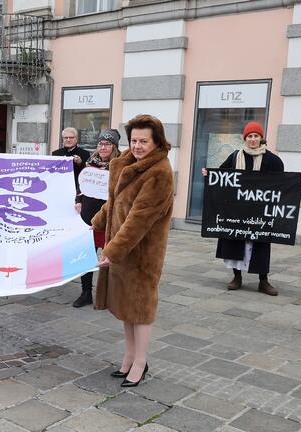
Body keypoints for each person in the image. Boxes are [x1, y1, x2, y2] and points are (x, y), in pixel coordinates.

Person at [92, 114, 174, 387]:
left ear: (157, 142)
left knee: (140, 309)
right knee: (125, 307)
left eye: (144, 141)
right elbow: (113, 203)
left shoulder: (159, 172)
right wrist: (94, 225)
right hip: (121, 250)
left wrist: (112, 251)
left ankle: (141, 361)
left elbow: (138, 220)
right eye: (134, 140)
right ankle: (129, 356)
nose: (137, 146)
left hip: (141, 254)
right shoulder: (127, 164)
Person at [202, 122, 301, 296]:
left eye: (256, 136)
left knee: (260, 246)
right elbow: (221, 178)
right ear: (245, 138)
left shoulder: (272, 160)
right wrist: (208, 176)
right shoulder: (235, 157)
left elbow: (282, 184)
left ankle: (263, 281)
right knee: (235, 242)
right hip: (238, 213)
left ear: (261, 138)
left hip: (260, 214)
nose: (252, 139)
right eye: (249, 136)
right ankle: (237, 277)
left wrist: (299, 181)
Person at [72, 128, 121, 308]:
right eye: (101, 144)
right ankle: (86, 293)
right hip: (88, 218)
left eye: (107, 144)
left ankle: (112, 295)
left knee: (112, 258)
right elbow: (81, 185)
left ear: (114, 146)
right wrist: (78, 200)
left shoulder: (121, 165)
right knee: (87, 257)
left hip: (110, 218)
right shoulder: (90, 163)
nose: (103, 147)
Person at [52, 127, 90, 194]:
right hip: (60, 188)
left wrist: (81, 163)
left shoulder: (85, 154)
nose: (68, 140)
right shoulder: (56, 154)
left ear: (76, 139)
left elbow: (88, 174)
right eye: (66, 138)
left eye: (71, 137)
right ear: (62, 139)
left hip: (77, 189)